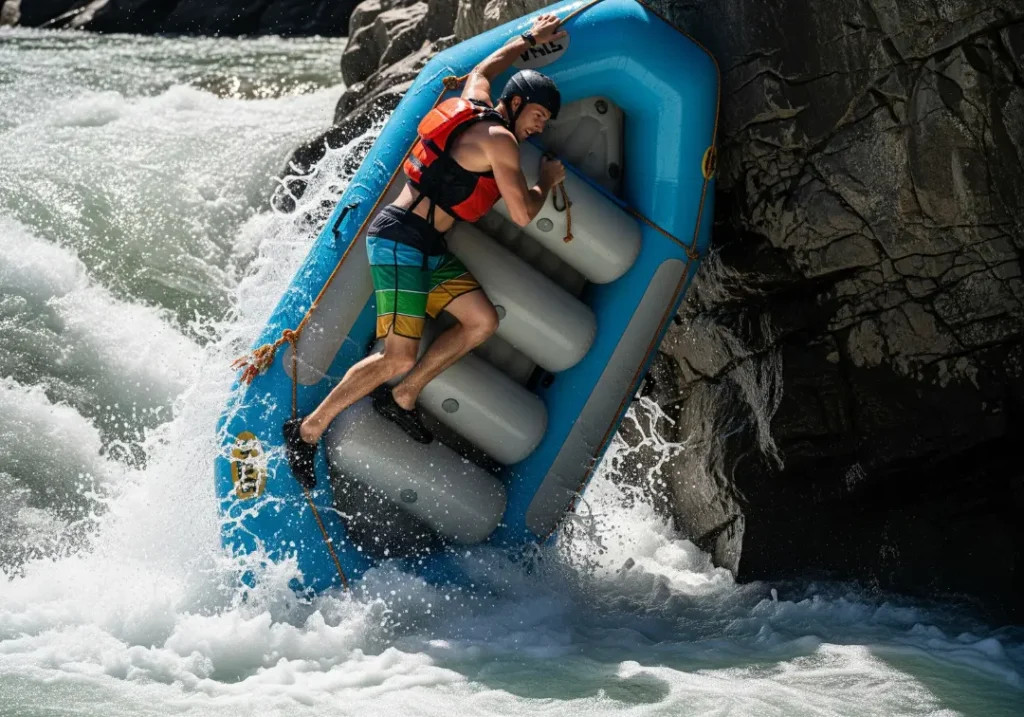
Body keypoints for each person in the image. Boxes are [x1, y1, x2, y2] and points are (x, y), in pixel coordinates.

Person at [283, 13, 568, 488]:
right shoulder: (500, 141)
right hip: (399, 240)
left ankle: (405, 396)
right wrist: (547, 182)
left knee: (482, 321)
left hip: (426, 245)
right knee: (397, 356)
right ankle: (307, 430)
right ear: (516, 105)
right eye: (538, 117)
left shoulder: (477, 102)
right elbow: (522, 213)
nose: (540, 128)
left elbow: (483, 69)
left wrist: (528, 39)